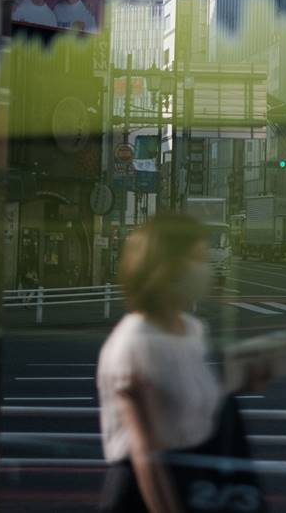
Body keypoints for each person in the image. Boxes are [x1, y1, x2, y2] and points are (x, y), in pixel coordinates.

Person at [95, 215, 223, 512]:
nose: (204, 268)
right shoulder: (137, 341)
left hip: (194, 481)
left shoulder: (192, 330)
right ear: (166, 268)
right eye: (196, 258)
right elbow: (146, 454)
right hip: (144, 494)